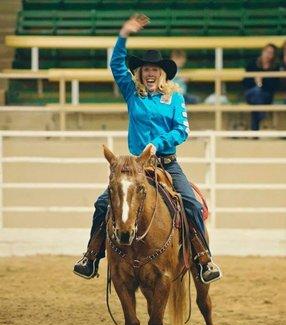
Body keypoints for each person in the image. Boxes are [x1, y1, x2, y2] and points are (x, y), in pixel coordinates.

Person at [73, 14, 221, 284]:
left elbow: (182, 131)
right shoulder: (133, 92)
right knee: (103, 203)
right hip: (136, 166)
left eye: (155, 69)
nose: (150, 73)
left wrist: (158, 143)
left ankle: (203, 259)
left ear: (162, 73)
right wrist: (123, 34)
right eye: (146, 70)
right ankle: (91, 256)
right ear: (140, 73)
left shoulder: (175, 97)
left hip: (167, 162)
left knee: (190, 204)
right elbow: (116, 65)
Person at [243, 43, 280, 131]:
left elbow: (274, 86)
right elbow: (245, 82)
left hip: (266, 95)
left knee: (257, 98)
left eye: (271, 53)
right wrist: (256, 82)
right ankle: (262, 117)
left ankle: (255, 130)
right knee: (256, 92)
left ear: (273, 56)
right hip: (250, 94)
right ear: (262, 51)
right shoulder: (252, 64)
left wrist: (261, 83)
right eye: (267, 52)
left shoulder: (275, 68)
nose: (268, 55)